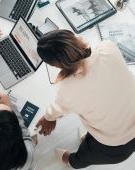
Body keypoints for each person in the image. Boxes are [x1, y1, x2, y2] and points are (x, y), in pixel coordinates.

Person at [36, 30, 135, 169]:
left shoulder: (67, 88)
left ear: (56, 66)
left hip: (116, 145)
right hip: (129, 118)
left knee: (82, 158)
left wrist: (48, 118)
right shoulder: (108, 47)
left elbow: (58, 108)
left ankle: (70, 161)